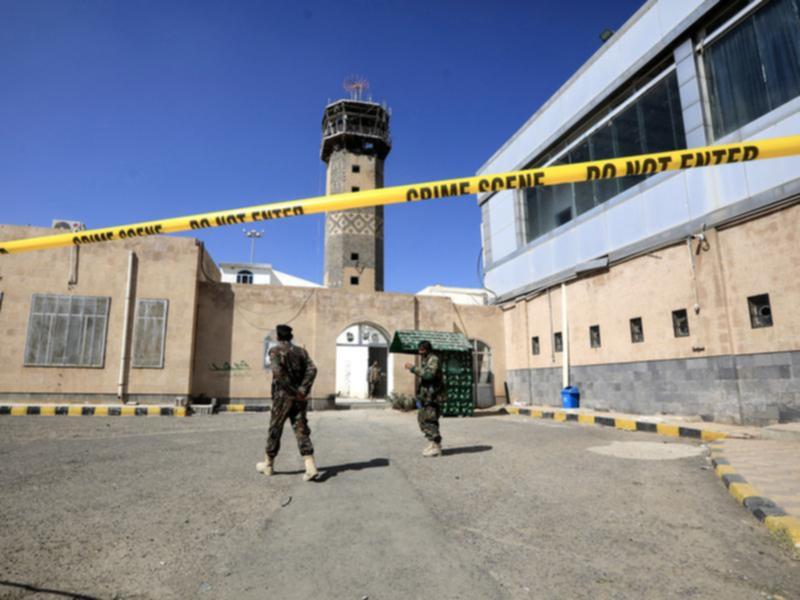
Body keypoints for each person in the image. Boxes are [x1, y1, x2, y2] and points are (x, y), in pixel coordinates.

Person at [256, 324, 320, 481]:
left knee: (275, 429)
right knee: (301, 429)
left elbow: (278, 373)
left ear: (278, 337)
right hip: (299, 399)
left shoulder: (275, 351)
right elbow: (312, 369)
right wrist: (302, 390)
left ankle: (268, 465)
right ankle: (310, 466)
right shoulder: (301, 352)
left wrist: (293, 390)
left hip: (282, 398)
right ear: (291, 337)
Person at [404, 340, 444, 457]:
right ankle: (432, 442)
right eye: (419, 350)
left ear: (427, 350)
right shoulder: (426, 360)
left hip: (433, 396)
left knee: (430, 420)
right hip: (426, 396)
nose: (420, 353)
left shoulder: (433, 359)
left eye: (422, 350)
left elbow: (429, 375)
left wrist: (413, 368)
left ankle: (436, 445)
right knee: (422, 419)